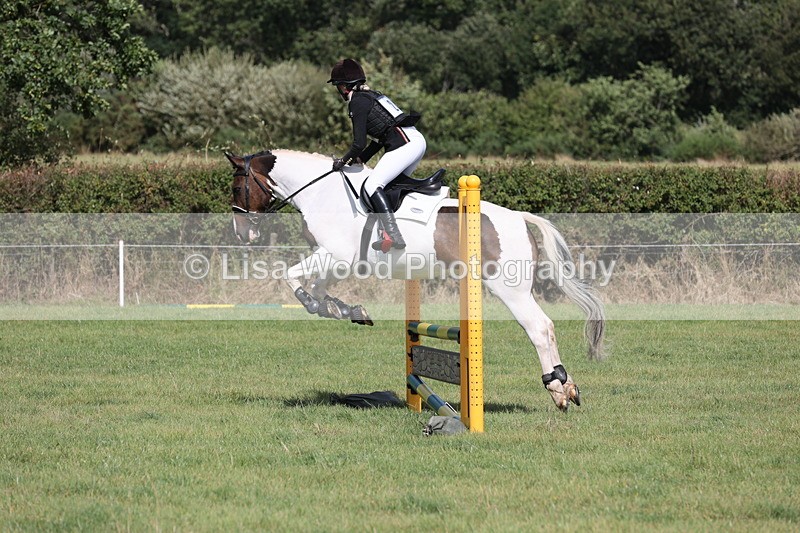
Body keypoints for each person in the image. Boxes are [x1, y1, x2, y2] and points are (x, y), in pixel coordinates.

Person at [328, 58, 425, 250]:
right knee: (390, 187)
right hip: (415, 141)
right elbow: (378, 139)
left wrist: (342, 161)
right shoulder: (371, 96)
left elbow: (358, 143)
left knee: (372, 185)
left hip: (405, 144)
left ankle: (394, 236)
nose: (340, 92)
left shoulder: (357, 102)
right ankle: (395, 232)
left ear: (345, 87)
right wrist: (362, 159)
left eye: (339, 87)